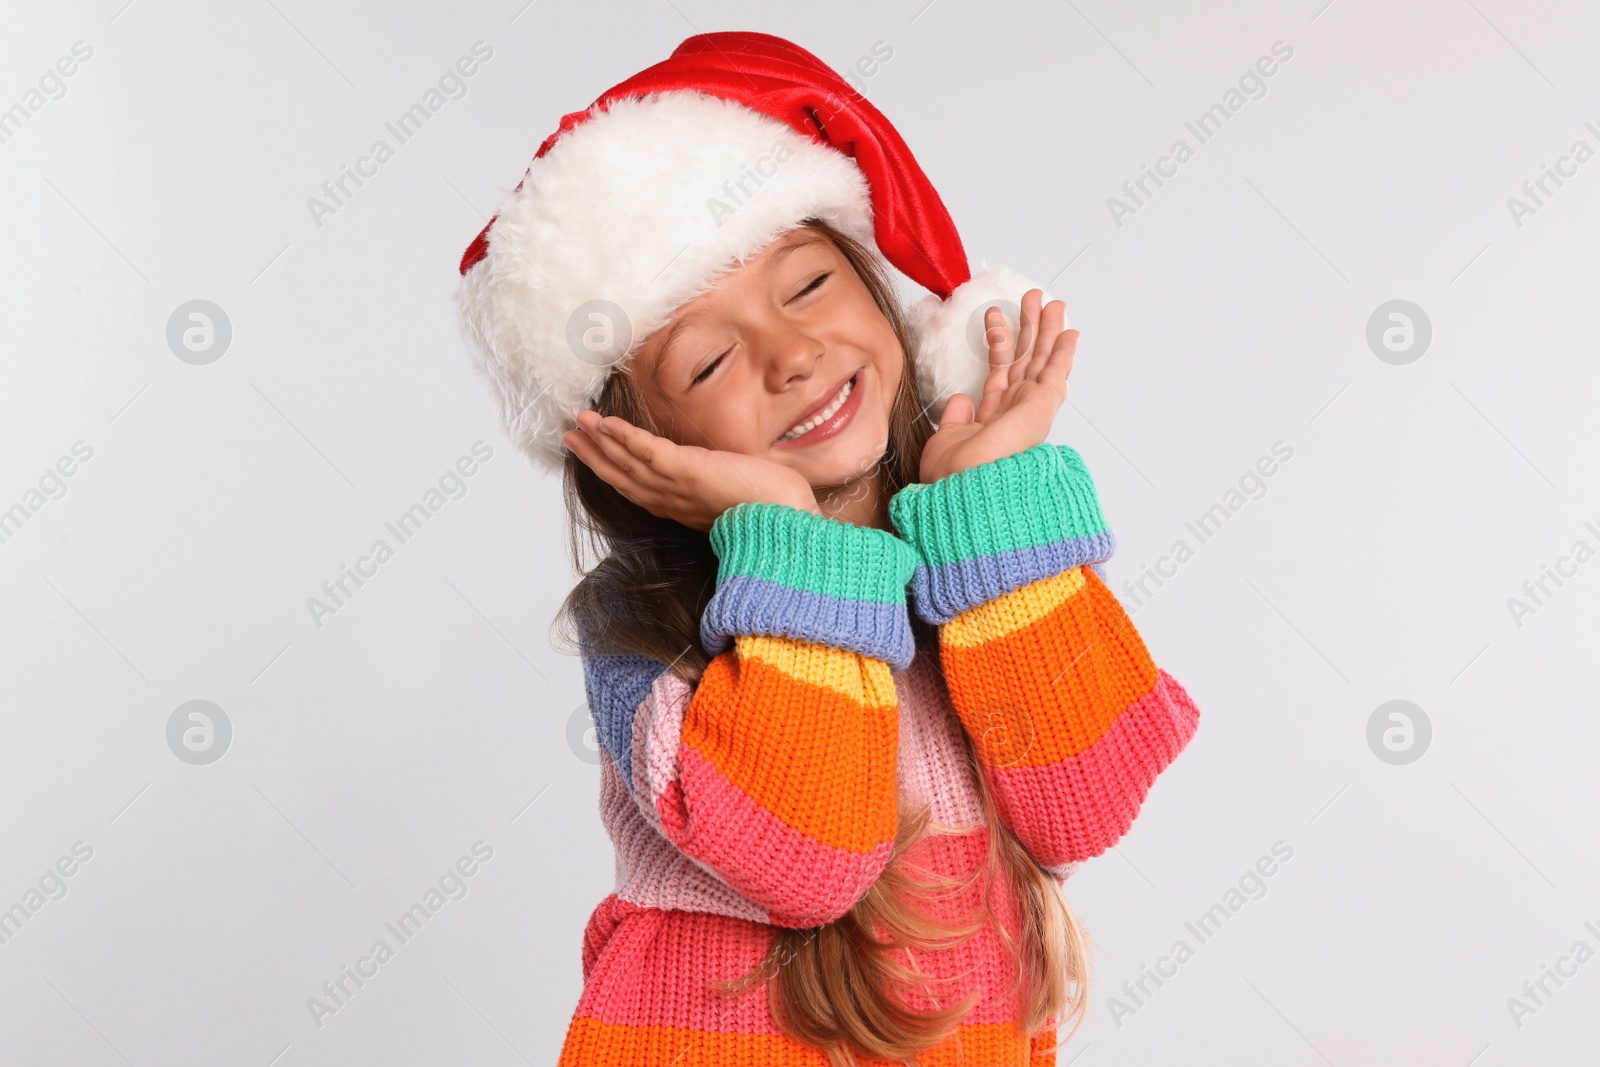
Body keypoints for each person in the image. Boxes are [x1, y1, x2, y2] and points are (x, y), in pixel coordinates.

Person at [455, 30, 1200, 1067]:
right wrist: (793, 540)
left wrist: (984, 505)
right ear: (644, 446)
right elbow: (809, 858)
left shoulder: (983, 558)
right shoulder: (639, 622)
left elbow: (1084, 803)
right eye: (708, 357)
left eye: (806, 287)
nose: (790, 354)